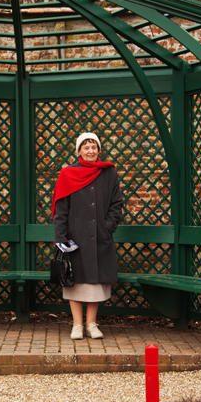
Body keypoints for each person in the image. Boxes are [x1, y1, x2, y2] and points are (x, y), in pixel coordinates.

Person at [52, 132, 124, 340]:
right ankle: (76, 325)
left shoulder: (109, 173)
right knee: (75, 281)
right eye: (86, 147)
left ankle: (92, 324)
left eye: (94, 147)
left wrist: (107, 226)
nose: (90, 151)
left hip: (100, 237)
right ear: (79, 151)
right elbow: (60, 208)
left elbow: (116, 203)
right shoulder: (67, 174)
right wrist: (61, 237)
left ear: (99, 150)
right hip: (75, 237)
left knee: (95, 282)